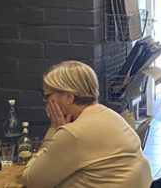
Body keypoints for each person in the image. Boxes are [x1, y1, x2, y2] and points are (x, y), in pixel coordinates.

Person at [22, 60, 152, 188]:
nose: (46, 102)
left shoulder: (73, 133)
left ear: (69, 97)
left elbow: (32, 180)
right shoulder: (109, 115)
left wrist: (54, 129)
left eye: (47, 95)